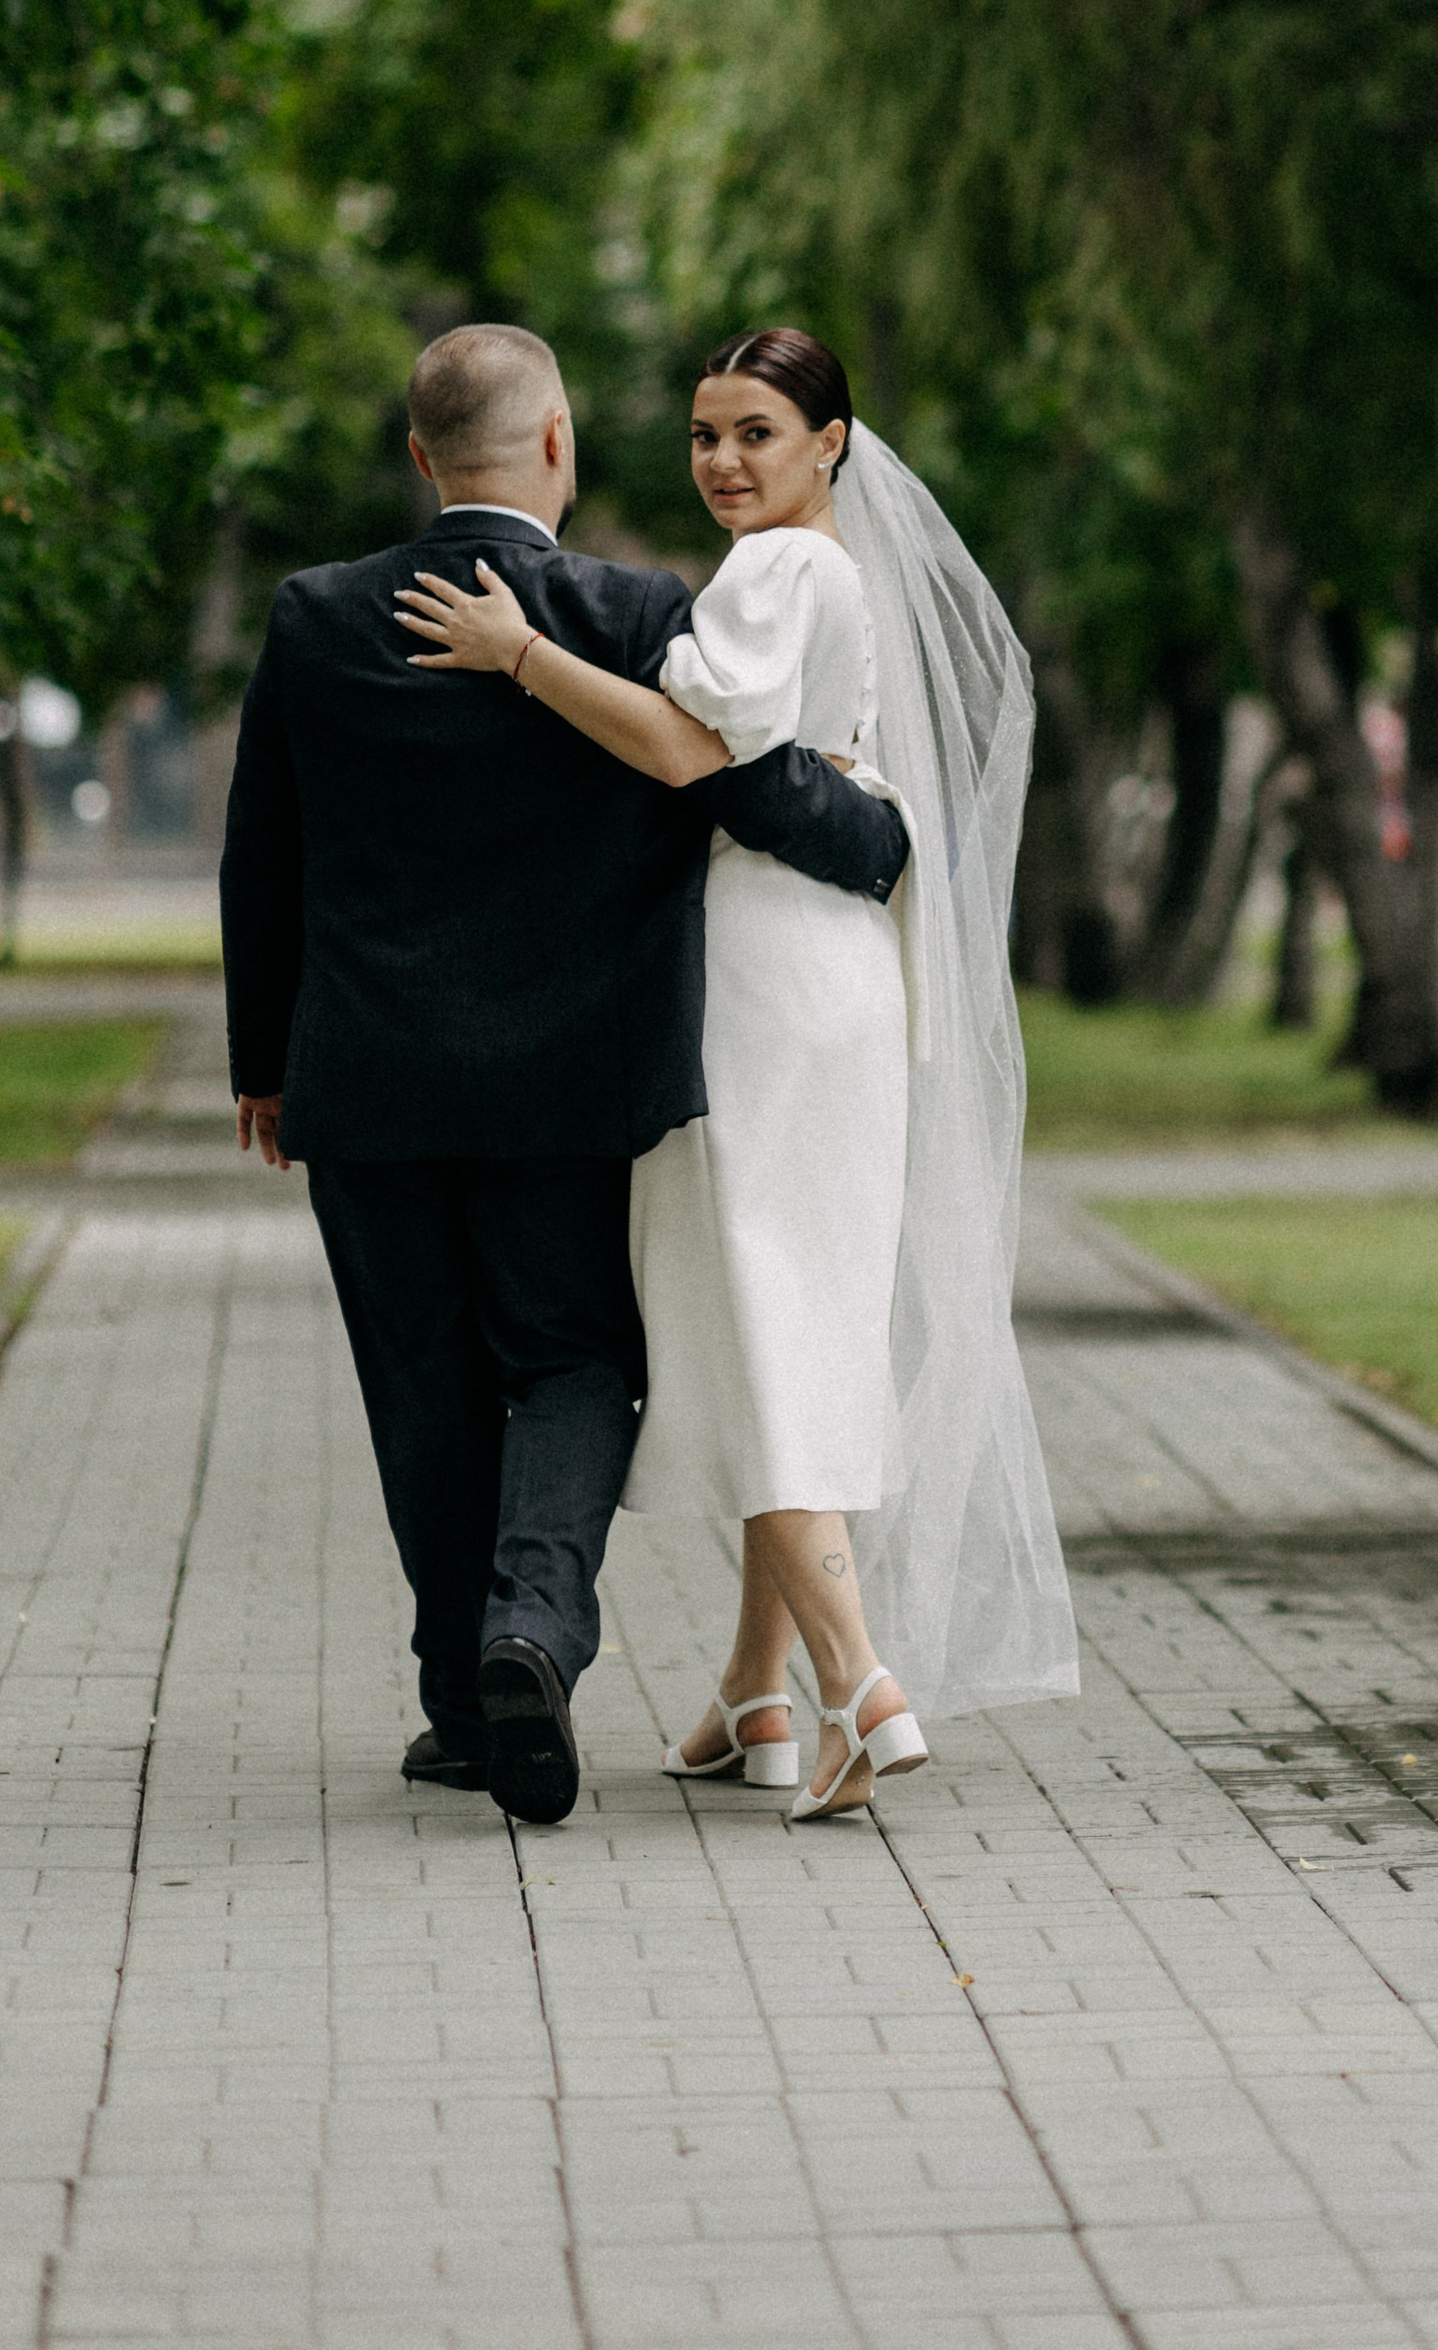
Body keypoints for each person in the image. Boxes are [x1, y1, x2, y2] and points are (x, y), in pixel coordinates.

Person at [220, 323, 911, 1827]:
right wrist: (881, 839)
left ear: (419, 457)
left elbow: (262, 849)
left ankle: (468, 1707)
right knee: (572, 1361)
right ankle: (533, 1628)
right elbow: (732, 777)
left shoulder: (316, 614)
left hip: (369, 1082)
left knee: (422, 1383)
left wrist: (262, 1063)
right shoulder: (621, 607)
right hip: (565, 1087)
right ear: (557, 443)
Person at [395, 326, 1077, 1825]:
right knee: (793, 1303)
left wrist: (521, 655)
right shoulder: (843, 573)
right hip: (833, 968)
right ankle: (751, 1698)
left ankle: (858, 1681)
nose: (722, 462)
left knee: (757, 1318)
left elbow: (687, 750)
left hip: (761, 980)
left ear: (831, 442)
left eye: (757, 433)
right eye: (706, 434)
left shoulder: (777, 573)